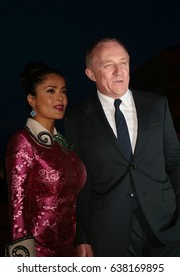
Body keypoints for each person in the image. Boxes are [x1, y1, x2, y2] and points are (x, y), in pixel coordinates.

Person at [64, 37, 180, 257]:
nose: (119, 71)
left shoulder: (158, 105)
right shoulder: (76, 119)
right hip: (110, 234)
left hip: (167, 227)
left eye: (124, 62)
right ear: (91, 74)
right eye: (108, 65)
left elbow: (175, 162)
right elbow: (77, 183)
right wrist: (82, 238)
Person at [5, 62, 86, 257]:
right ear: (32, 100)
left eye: (63, 91)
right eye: (51, 91)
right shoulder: (23, 142)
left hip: (70, 251)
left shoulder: (63, 146)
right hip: (39, 254)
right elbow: (17, 208)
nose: (60, 97)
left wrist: (82, 242)